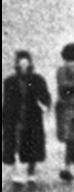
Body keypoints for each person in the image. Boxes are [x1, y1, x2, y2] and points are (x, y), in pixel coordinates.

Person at [4, 51, 52, 184]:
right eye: (21, 63)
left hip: (32, 117)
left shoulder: (38, 79)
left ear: (30, 63)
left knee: (33, 145)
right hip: (16, 117)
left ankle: (31, 172)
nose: (24, 66)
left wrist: (44, 104)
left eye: (26, 63)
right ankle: (16, 172)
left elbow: (45, 96)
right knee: (15, 144)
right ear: (17, 64)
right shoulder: (10, 81)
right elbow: (7, 101)